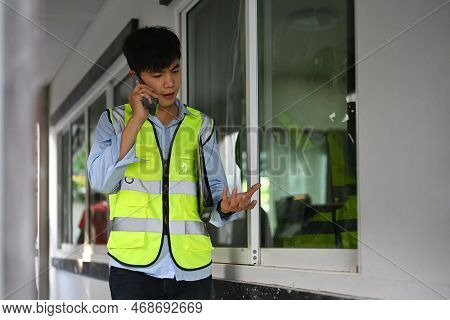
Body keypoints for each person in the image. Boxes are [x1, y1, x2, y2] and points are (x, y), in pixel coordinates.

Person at [87, 26, 260, 300]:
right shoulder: (114, 122)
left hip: (191, 269)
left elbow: (215, 193)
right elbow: (100, 180)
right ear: (136, 77)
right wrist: (136, 121)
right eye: (157, 75)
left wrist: (225, 206)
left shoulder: (201, 126)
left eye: (175, 70)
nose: (169, 82)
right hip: (132, 271)